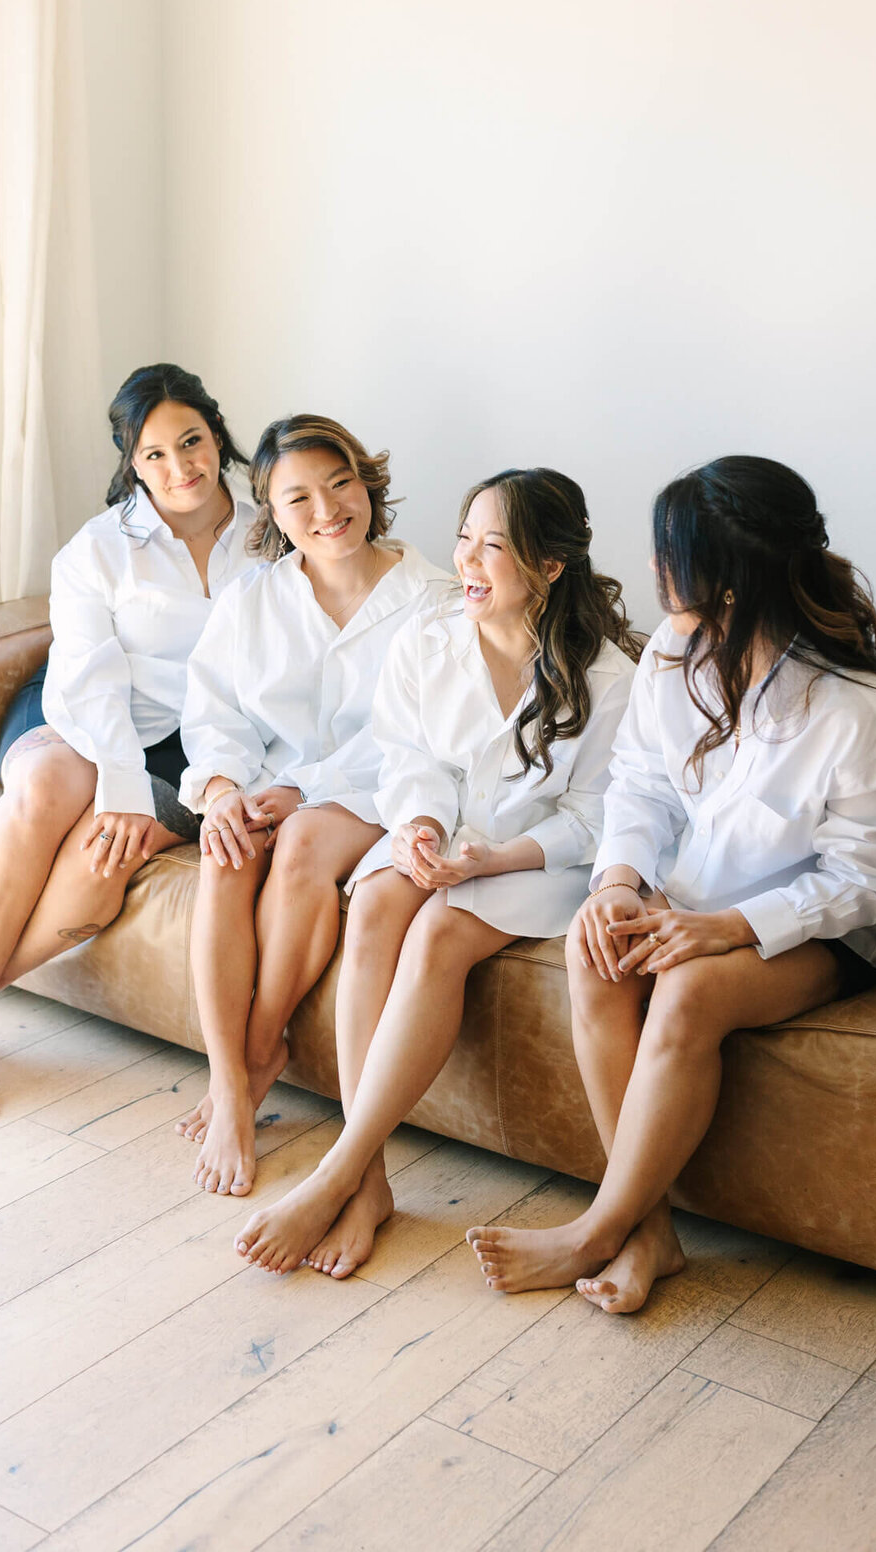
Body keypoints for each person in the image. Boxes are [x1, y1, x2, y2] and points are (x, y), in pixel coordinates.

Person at [466, 455, 876, 1311]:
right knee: (597, 952)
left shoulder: (860, 718)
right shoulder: (673, 656)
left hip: (819, 931)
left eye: (668, 558)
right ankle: (650, 1232)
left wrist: (730, 929)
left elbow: (866, 885)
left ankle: (595, 1229)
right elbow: (642, 786)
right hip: (692, 897)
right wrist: (618, 880)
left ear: (726, 582)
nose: (653, 572)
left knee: (686, 993)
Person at [233, 468, 639, 1276]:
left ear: (551, 566)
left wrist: (497, 858)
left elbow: (596, 818)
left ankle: (337, 1168)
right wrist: (418, 826)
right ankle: (370, 1181)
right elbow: (407, 758)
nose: (468, 562)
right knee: (379, 900)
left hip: (541, 861)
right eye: (464, 539)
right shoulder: (426, 642)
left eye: (494, 546)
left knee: (440, 934)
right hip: (446, 834)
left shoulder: (608, 679)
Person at [0, 363, 255, 1118]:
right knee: (52, 787)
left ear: (216, 433)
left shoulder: (268, 534)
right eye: (154, 454)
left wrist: (148, 797)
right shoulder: (100, 548)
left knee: (103, 856)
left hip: (194, 740)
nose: (179, 467)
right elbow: (90, 680)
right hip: (78, 709)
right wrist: (116, 782)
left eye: (191, 441)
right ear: (131, 462)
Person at [176, 413, 448, 1198]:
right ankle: (230, 1082)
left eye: (341, 485)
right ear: (270, 511)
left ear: (368, 484)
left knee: (296, 843)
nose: (328, 511)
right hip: (265, 786)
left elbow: (415, 735)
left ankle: (260, 1053)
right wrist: (224, 790)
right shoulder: (251, 600)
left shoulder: (431, 600)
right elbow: (213, 713)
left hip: (379, 790)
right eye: (299, 499)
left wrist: (301, 791)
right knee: (225, 857)